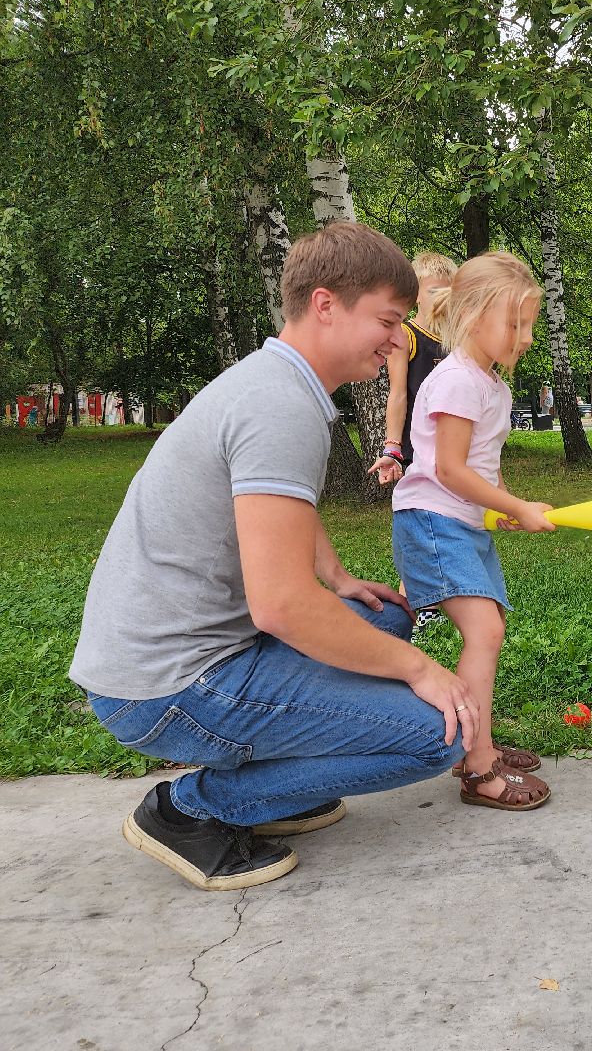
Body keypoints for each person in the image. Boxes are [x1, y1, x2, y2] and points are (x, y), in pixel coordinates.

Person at [70, 222, 476, 891]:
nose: (398, 339)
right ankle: (193, 810)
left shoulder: (277, 385)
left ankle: (276, 788)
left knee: (384, 621)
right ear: (325, 305)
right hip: (168, 687)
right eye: (387, 319)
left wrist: (337, 576)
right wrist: (423, 671)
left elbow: (272, 505)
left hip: (180, 657)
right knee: (440, 733)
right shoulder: (278, 406)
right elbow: (282, 606)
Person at [390, 251, 555, 810]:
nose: (526, 337)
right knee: (484, 633)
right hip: (433, 521)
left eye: (530, 323)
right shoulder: (458, 379)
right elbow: (448, 470)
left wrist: (499, 505)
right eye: (515, 323)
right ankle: (477, 768)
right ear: (472, 315)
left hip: (461, 520)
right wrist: (516, 503)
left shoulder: (489, 385)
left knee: (491, 628)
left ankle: (476, 740)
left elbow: (480, 464)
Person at [368, 251, 458, 485]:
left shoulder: (459, 339)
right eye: (435, 291)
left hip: (455, 444)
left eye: (450, 292)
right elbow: (398, 393)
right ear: (415, 295)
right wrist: (392, 448)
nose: (443, 298)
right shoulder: (406, 336)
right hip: (417, 448)